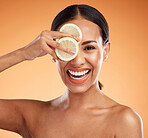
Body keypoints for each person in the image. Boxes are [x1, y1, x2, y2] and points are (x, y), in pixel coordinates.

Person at [0, 4, 143, 138]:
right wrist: (23, 53)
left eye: (89, 48)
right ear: (52, 51)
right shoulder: (32, 115)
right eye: (66, 48)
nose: (77, 61)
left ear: (105, 51)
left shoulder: (124, 121)